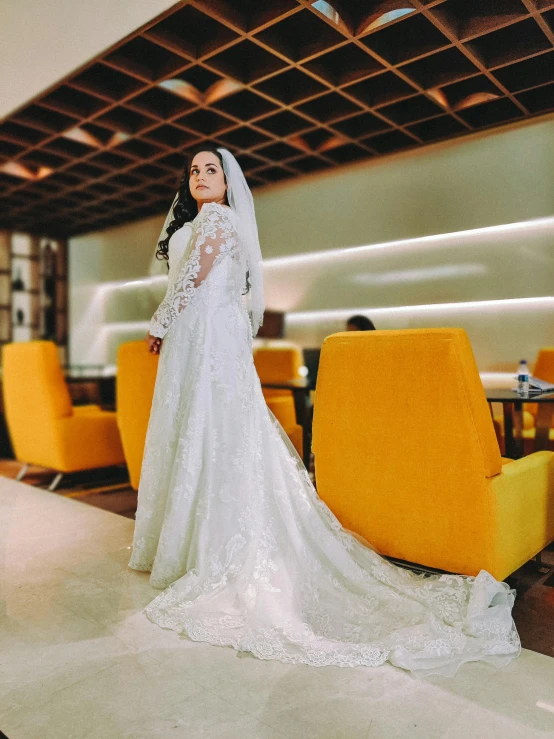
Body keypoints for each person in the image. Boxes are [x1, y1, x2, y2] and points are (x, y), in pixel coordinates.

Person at [129, 147, 520, 677]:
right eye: (193, 171)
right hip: (199, 339)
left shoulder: (220, 220)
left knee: (216, 432)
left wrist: (159, 323)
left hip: (205, 339)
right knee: (204, 432)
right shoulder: (201, 221)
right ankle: (192, 542)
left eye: (210, 170)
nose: (200, 177)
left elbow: (193, 279)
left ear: (228, 182)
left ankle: (213, 550)